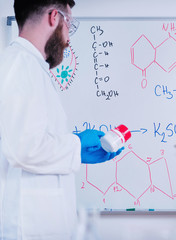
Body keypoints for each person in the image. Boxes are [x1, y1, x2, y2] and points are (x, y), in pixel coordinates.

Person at [0, 1, 122, 239]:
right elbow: (24, 149)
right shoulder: (20, 65)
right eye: (70, 25)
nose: (68, 38)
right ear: (54, 17)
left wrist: (76, 149)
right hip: (28, 228)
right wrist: (76, 144)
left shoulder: (31, 67)